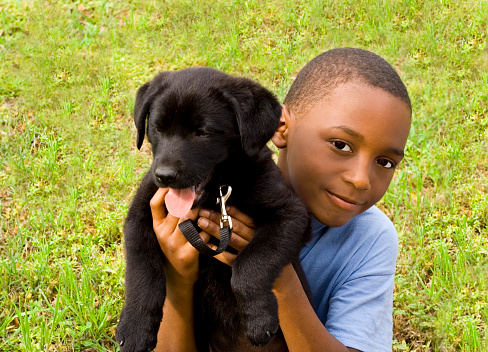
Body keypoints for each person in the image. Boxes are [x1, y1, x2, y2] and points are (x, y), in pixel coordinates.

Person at [149, 47, 412, 352]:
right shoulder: (204, 196)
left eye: (385, 162)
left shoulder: (370, 238)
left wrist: (279, 278)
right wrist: (178, 283)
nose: (360, 179)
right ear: (281, 128)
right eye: (341, 145)